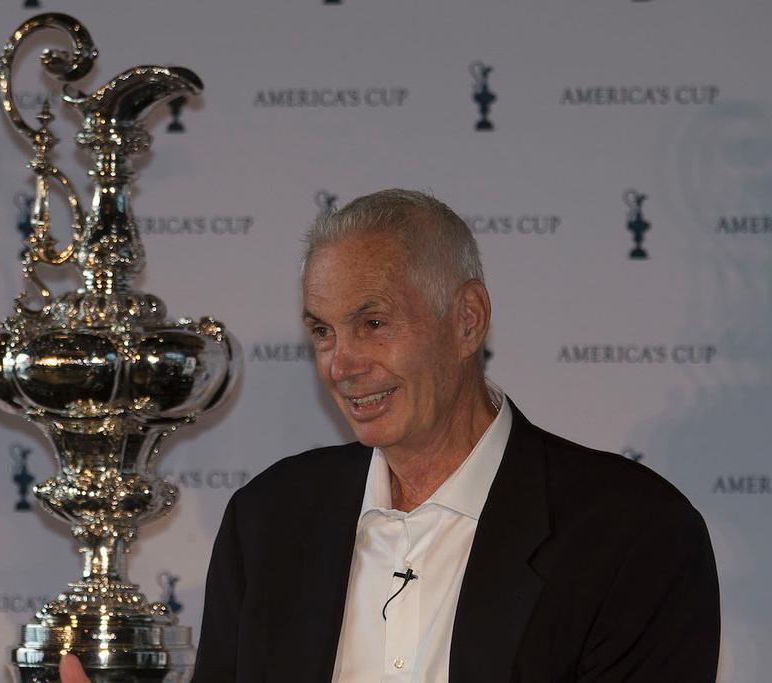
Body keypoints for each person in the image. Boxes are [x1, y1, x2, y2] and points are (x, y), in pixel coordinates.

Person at [63, 189, 720, 683]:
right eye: (322, 331)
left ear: (467, 320)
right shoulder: (268, 520)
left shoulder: (634, 533)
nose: (342, 364)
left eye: (372, 322)